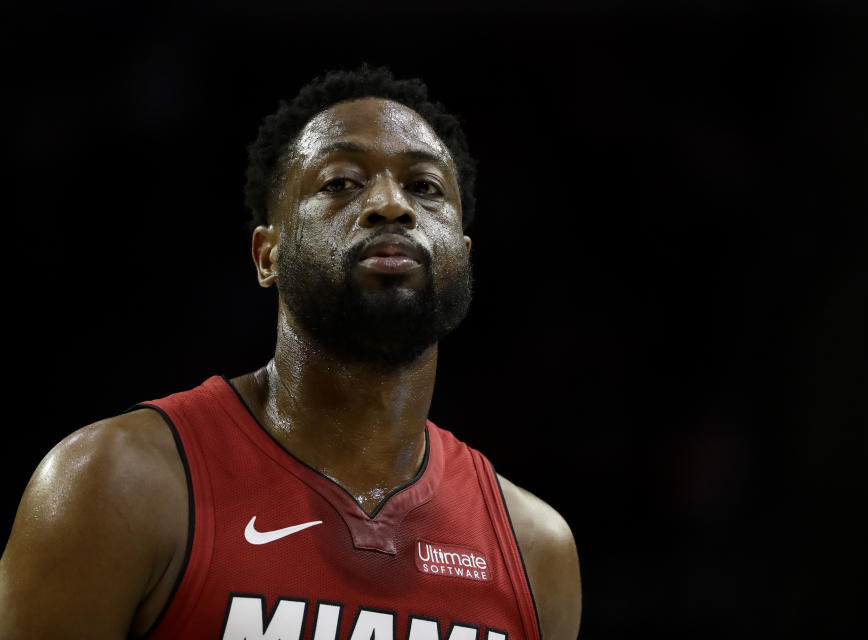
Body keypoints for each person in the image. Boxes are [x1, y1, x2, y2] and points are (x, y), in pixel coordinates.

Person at [0, 65, 581, 640]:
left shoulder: (535, 551)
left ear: (462, 252)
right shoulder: (115, 483)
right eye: (341, 182)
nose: (390, 204)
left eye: (424, 188)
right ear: (267, 254)